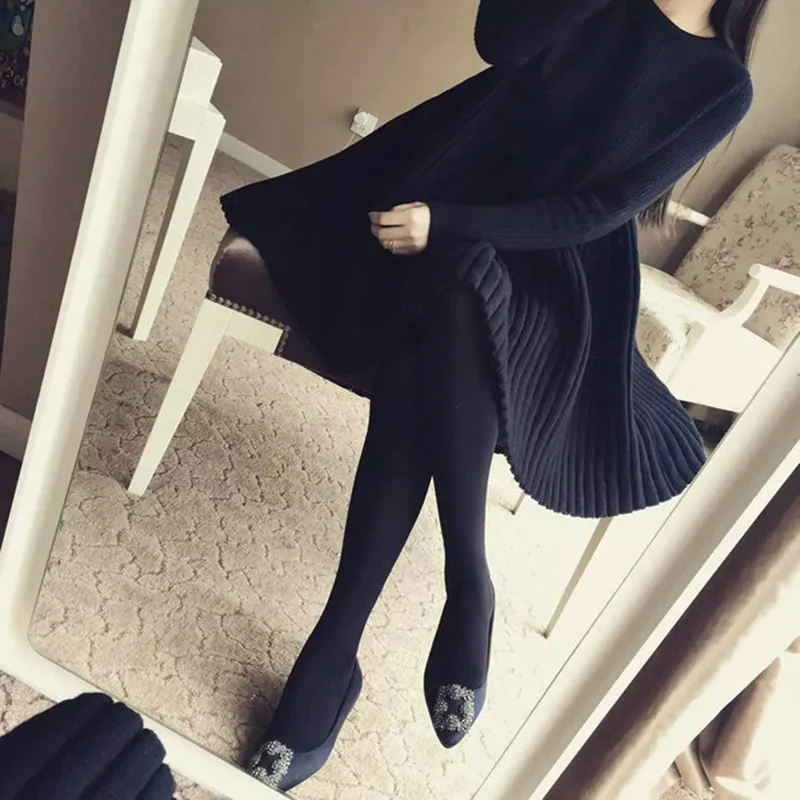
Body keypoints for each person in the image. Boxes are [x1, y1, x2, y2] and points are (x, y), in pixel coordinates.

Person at [220, 0, 767, 791]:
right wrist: (443, 220)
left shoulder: (721, 84)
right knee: (451, 295)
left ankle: (337, 652)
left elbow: (598, 210)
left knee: (452, 305)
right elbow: (499, 40)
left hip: (556, 259)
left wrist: (448, 226)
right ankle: (466, 585)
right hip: (446, 180)